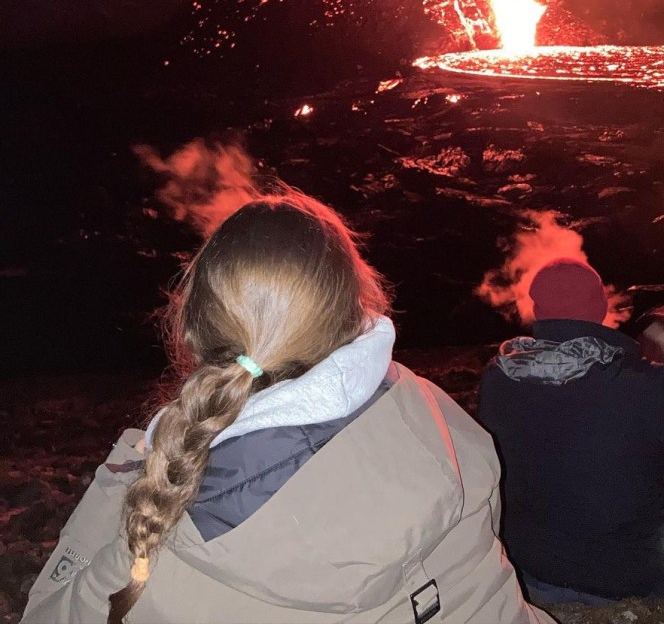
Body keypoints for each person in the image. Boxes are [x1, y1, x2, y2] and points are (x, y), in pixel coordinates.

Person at [23, 191, 550, 624]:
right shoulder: (427, 403)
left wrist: (123, 479)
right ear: (350, 305)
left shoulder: (177, 541)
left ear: (194, 328)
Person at [478, 258, 664, 606]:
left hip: (529, 567)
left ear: (537, 311)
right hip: (626, 575)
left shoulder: (498, 376)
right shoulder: (643, 384)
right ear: (601, 308)